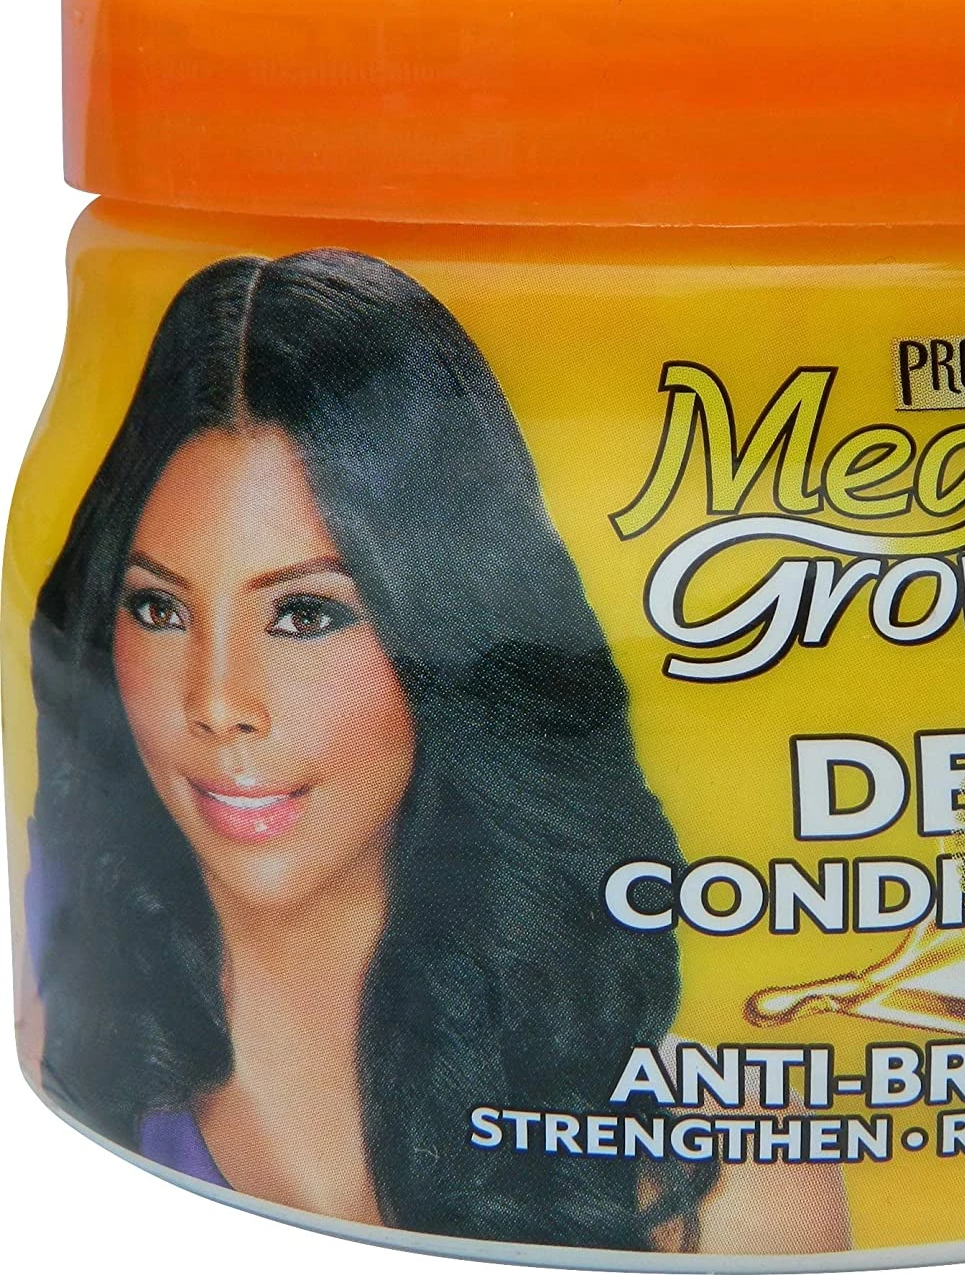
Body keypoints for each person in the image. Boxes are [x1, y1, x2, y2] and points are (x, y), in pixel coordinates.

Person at [25, 249, 849, 1253]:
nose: (219, 702)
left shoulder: (719, 1180)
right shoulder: (66, 1054)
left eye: (305, 613)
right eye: (159, 607)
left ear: (454, 631)